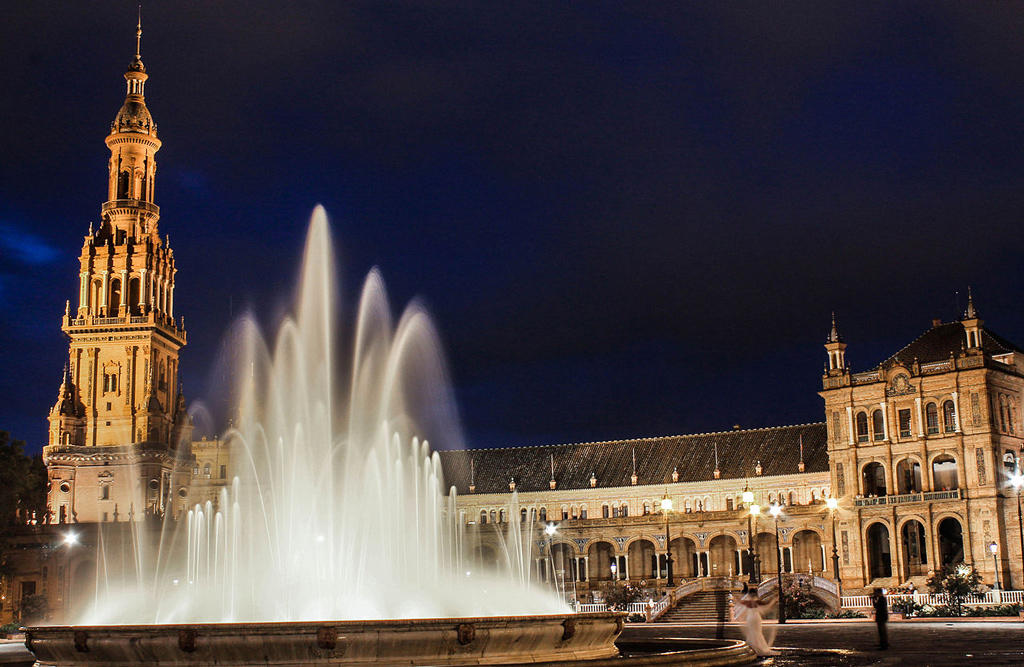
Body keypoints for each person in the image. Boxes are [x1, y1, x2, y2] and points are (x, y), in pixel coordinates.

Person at [733, 583, 778, 657]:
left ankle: (753, 647)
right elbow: (767, 603)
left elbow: (739, 601)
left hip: (750, 618)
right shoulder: (757, 602)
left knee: (752, 632)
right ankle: (761, 647)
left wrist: (736, 597)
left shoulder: (747, 602)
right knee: (758, 632)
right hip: (756, 618)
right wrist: (774, 597)